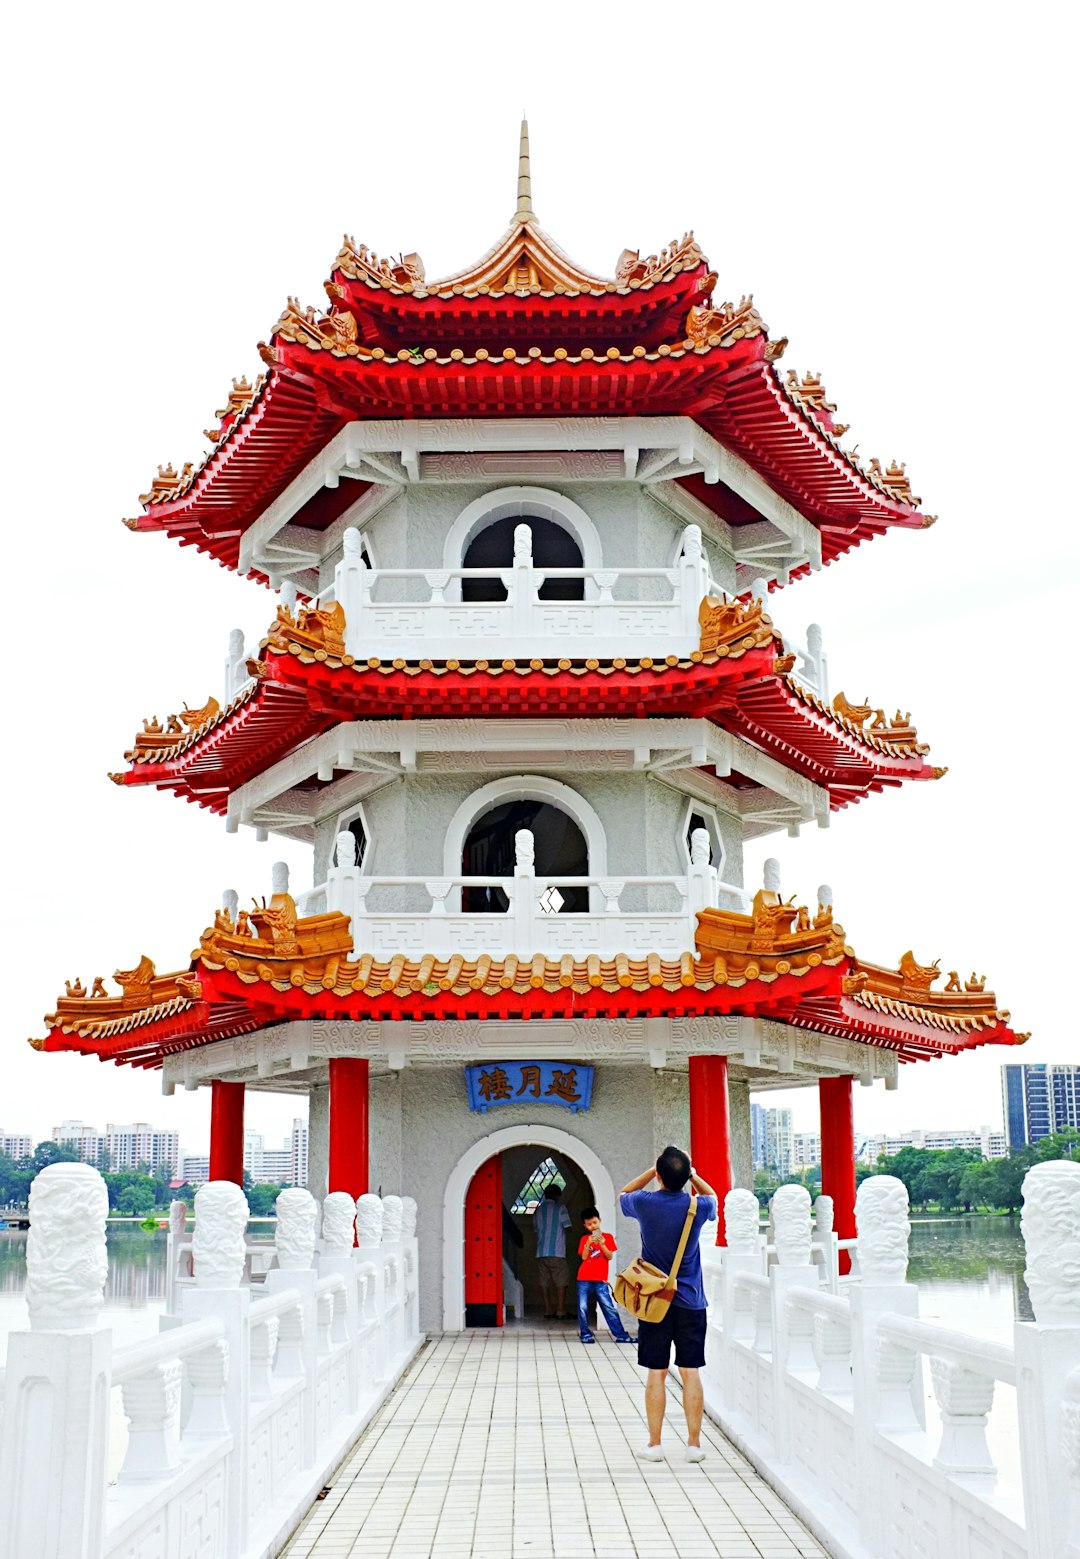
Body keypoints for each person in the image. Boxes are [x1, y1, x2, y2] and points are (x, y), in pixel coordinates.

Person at [619, 1145, 717, 1462]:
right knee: (690, 1372)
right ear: (685, 1176)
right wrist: (693, 1176)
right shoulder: (697, 1206)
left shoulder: (645, 1203)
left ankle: (655, 1443)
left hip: (654, 1303)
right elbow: (713, 1196)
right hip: (690, 1302)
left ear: (659, 1177)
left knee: (656, 1373)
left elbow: (624, 1192)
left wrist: (652, 1170)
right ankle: (693, 1444)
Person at [576, 1205, 635, 1346]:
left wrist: (602, 1245)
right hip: (583, 1278)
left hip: (600, 1279)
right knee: (582, 1307)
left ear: (600, 1221)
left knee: (608, 1307)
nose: (593, 1226)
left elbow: (609, 1256)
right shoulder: (585, 1239)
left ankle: (621, 1335)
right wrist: (588, 1244)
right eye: (589, 1224)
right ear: (585, 1225)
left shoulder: (607, 1237)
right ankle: (585, 1334)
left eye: (595, 1223)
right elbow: (584, 1258)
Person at [532, 1183, 572, 1319]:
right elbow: (568, 1227)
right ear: (557, 1195)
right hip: (557, 1252)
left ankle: (548, 1309)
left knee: (544, 1282)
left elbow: (536, 1229)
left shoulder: (538, 1211)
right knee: (561, 1280)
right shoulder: (560, 1208)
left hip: (541, 1252)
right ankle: (560, 1310)